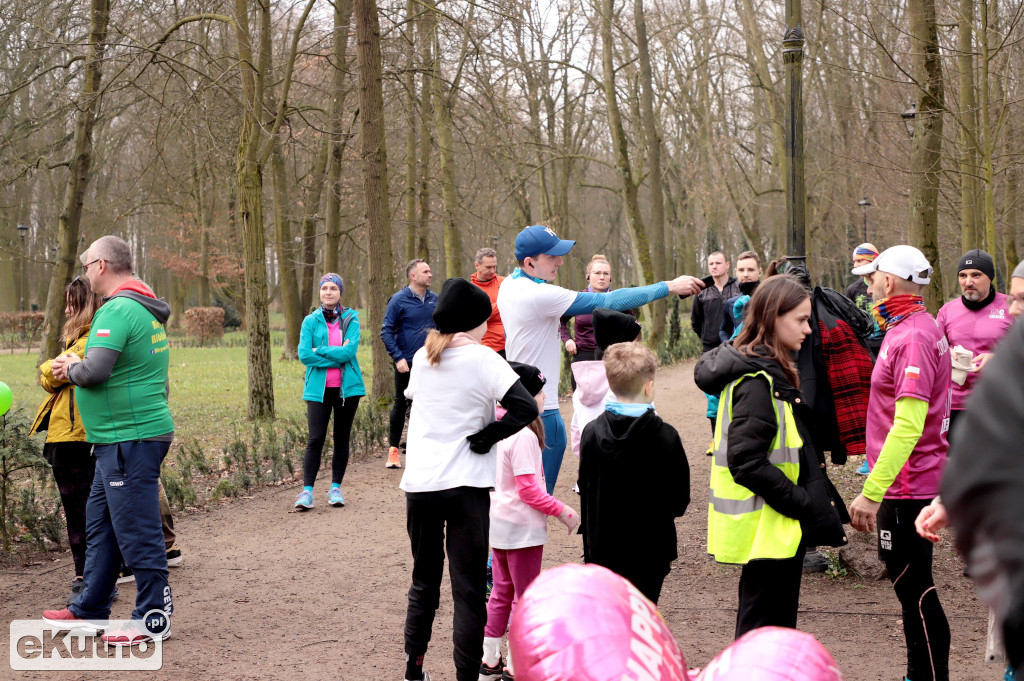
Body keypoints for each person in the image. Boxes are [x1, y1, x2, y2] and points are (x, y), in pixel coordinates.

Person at [400, 278, 539, 681]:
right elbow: (525, 406)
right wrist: (488, 436)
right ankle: (465, 677)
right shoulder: (484, 358)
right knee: (468, 590)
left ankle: (414, 669)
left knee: (424, 581)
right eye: (485, 320)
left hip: (421, 486)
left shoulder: (424, 356)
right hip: (466, 488)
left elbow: (417, 399)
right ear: (473, 322)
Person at [695, 275, 849, 637]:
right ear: (772, 318)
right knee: (761, 636)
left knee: (768, 635)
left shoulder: (767, 372)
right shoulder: (757, 382)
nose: (808, 329)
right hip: (768, 527)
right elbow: (747, 461)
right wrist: (801, 503)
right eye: (800, 319)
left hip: (774, 527)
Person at [498, 224, 703, 494]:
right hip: (542, 410)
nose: (560, 262)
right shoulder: (539, 294)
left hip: (519, 401)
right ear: (529, 262)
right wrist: (669, 286)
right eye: (551, 257)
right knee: (534, 500)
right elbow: (610, 300)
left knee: (518, 494)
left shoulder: (510, 285)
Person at [41, 235, 174, 646]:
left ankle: (153, 617)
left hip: (129, 439)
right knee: (101, 525)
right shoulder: (143, 302)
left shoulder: (117, 310)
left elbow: (95, 372)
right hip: (117, 439)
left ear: (101, 265)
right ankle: (91, 607)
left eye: (86, 266)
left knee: (137, 530)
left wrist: (71, 366)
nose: (84, 274)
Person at [847, 245, 951, 681]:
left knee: (914, 587)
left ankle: (927, 677)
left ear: (888, 281)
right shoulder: (910, 326)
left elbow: (907, 427)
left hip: (908, 485)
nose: (867, 285)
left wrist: (871, 493)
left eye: (871, 278)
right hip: (908, 481)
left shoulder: (912, 336)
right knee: (911, 588)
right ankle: (919, 673)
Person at [480, 362, 579, 681]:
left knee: (500, 593)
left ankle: (490, 660)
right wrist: (562, 510)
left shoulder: (497, 428)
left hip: (500, 525)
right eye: (539, 392)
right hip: (522, 530)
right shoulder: (521, 435)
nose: (544, 397)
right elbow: (528, 490)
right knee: (525, 597)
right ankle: (516, 663)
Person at [579, 341, 690, 605]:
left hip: (602, 548)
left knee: (611, 617)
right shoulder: (666, 436)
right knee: (643, 616)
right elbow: (679, 500)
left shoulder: (591, 433)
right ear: (649, 386)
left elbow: (585, 487)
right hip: (651, 551)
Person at [30, 277, 101, 605]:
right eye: (67, 302)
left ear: (89, 304)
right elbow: (50, 376)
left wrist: (54, 368)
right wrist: (53, 369)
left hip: (77, 437)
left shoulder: (90, 341)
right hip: (65, 436)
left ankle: (89, 577)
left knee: (83, 510)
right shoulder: (78, 342)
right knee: (81, 509)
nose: (68, 309)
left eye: (74, 302)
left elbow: (50, 373)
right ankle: (91, 572)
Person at [294, 273, 365, 510]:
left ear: (340, 292)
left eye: (333, 288)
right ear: (320, 292)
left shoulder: (351, 318)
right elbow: (304, 355)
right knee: (315, 439)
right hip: (318, 390)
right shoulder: (309, 321)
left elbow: (349, 352)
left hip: (348, 390)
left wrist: (320, 350)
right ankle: (307, 492)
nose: (328, 292)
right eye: (324, 288)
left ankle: (336, 488)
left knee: (341, 438)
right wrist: (335, 356)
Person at [936, 249, 1014, 439]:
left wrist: (999, 358)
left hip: (998, 402)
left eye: (976, 275)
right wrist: (946, 354)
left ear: (990, 278)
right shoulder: (947, 311)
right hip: (954, 403)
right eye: (963, 275)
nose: (968, 282)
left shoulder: (1012, 306)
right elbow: (933, 351)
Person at [381, 259, 437, 470]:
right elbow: (386, 332)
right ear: (413, 276)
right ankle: (394, 451)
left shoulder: (436, 300)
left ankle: (423, 449)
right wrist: (398, 357)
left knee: (428, 405)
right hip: (407, 363)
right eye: (426, 271)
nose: (430, 274)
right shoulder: (398, 300)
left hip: (431, 363)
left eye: (430, 271)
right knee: (400, 404)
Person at [568, 308, 642, 459]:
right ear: (621, 348)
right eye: (636, 343)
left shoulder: (581, 388)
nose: (640, 348)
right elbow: (647, 430)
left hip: (593, 471)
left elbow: (577, 437)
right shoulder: (629, 387)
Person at [559, 254, 633, 389]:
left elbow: (633, 326)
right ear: (588, 276)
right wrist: (567, 339)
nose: (602, 277)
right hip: (583, 357)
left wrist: (626, 348)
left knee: (612, 404)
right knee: (583, 405)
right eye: (597, 273)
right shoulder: (577, 299)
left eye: (606, 273)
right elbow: (559, 321)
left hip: (612, 359)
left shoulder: (619, 300)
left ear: (611, 277)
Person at [719, 250, 762, 343]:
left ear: (760, 272)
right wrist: (729, 345)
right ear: (736, 273)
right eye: (741, 270)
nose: (745, 274)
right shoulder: (731, 303)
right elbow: (723, 331)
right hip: (739, 355)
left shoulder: (770, 298)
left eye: (751, 270)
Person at [469, 247, 506, 356]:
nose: (493, 271)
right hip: (490, 348)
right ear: (477, 265)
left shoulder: (504, 282)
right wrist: (502, 303)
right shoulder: (470, 290)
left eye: (494, 267)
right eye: (488, 267)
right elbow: (480, 316)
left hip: (512, 344)